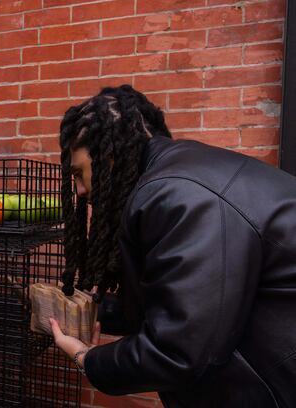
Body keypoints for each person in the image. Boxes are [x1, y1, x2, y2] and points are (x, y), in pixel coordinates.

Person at [49, 85, 296, 407]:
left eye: (79, 173)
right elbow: (182, 303)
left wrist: (87, 359)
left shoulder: (178, 193)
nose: (79, 190)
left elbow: (178, 350)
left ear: (109, 157)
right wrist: (85, 308)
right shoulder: (185, 174)